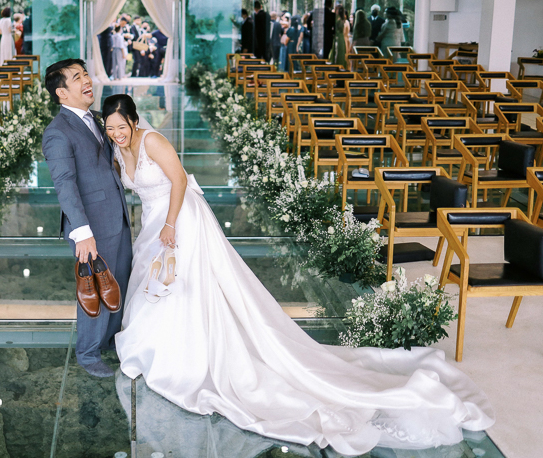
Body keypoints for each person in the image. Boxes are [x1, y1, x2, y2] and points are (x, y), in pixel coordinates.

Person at [102, 94, 495, 456]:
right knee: (158, 285)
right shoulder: (119, 149)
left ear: (135, 121)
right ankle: (161, 346)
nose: (117, 133)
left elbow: (180, 181)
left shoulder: (153, 141)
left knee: (187, 286)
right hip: (153, 224)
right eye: (110, 128)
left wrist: (171, 224)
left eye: (122, 126)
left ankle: (188, 354)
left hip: (180, 220)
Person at [41, 59, 132, 378]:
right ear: (62, 93)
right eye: (77, 77)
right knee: (94, 289)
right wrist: (82, 233)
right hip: (90, 226)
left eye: (86, 74)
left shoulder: (94, 118)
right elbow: (64, 184)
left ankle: (110, 341)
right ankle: (88, 352)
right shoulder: (57, 132)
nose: (87, 81)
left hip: (116, 216)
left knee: (117, 282)